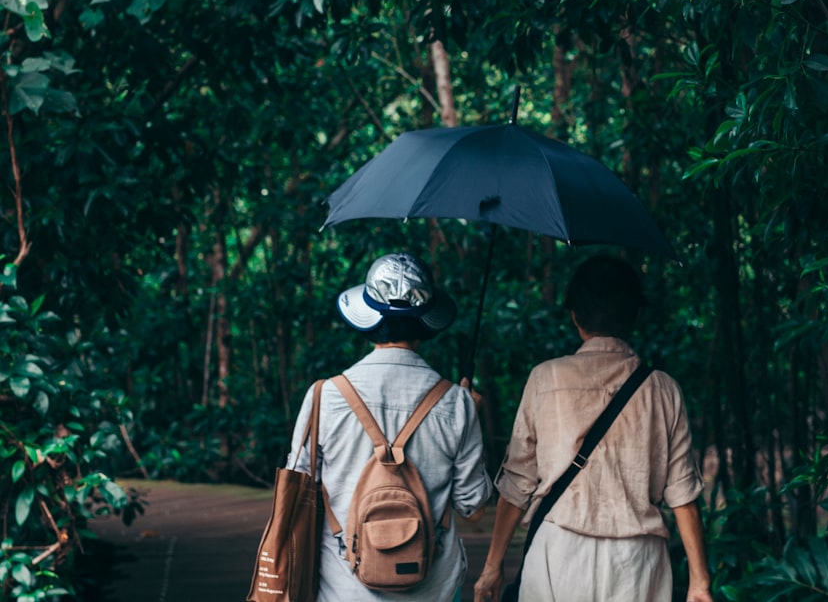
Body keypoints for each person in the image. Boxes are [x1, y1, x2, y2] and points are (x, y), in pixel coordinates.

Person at [473, 254, 713, 602]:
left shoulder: (545, 378)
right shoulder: (662, 388)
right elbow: (683, 495)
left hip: (558, 554)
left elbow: (517, 483)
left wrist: (492, 567)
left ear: (575, 315)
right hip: (637, 562)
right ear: (636, 315)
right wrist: (699, 581)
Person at [287, 251, 492, 602]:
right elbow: (472, 508)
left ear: (370, 317)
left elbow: (297, 492)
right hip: (433, 589)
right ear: (424, 320)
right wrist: (470, 415)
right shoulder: (456, 403)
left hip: (344, 589)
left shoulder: (325, 395)